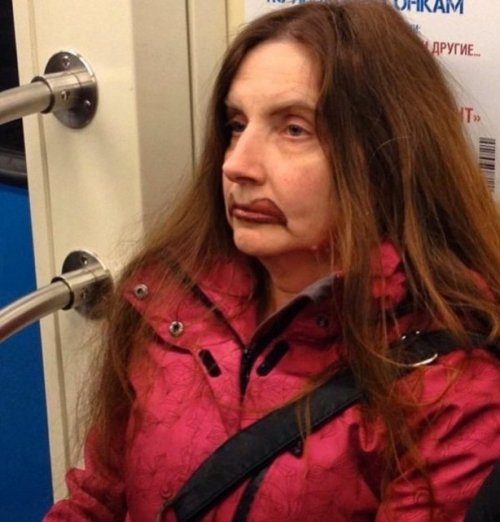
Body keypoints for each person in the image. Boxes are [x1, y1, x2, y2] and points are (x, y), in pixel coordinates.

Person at [45, 1, 500, 521]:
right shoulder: (165, 300)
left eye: (294, 129)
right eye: (236, 125)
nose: (238, 165)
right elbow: (95, 501)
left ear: (385, 158)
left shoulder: (449, 382)